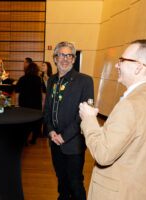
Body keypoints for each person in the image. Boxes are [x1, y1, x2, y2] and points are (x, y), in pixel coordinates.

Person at [79, 40, 146, 200]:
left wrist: (89, 119)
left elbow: (103, 154)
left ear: (138, 67)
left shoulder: (131, 105)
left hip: (120, 193)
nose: (117, 65)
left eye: (122, 60)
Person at [44, 41, 94, 200]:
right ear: (55, 58)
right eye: (61, 55)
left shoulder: (85, 81)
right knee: (61, 180)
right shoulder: (51, 81)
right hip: (54, 141)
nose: (65, 59)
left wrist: (63, 136)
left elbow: (84, 114)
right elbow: (47, 110)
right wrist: (51, 131)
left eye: (69, 55)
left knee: (75, 183)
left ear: (73, 59)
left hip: (73, 143)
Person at [15, 62, 43, 144]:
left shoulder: (22, 79)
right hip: (36, 104)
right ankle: (34, 139)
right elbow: (41, 93)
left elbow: (17, 92)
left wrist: (16, 104)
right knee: (36, 122)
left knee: (25, 122)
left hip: (24, 104)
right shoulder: (38, 79)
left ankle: (25, 140)